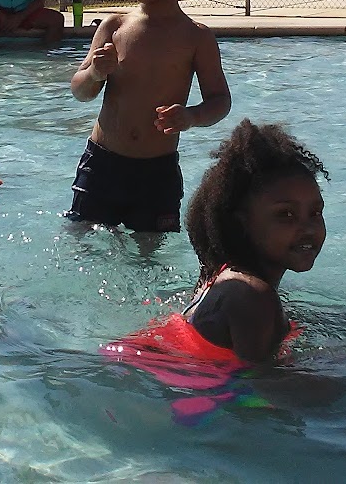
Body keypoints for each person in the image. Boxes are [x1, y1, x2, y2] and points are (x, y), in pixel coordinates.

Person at [103, 121, 326, 419]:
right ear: (241, 222)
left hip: (131, 375)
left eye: (315, 212)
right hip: (154, 400)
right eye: (285, 214)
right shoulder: (252, 296)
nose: (307, 228)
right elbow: (263, 390)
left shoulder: (222, 275)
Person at [68, 0, 232, 232]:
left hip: (157, 172)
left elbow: (220, 100)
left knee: (150, 252)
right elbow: (79, 90)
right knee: (82, 241)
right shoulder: (114, 27)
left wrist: (192, 116)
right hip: (102, 164)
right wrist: (95, 74)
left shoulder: (195, 38)